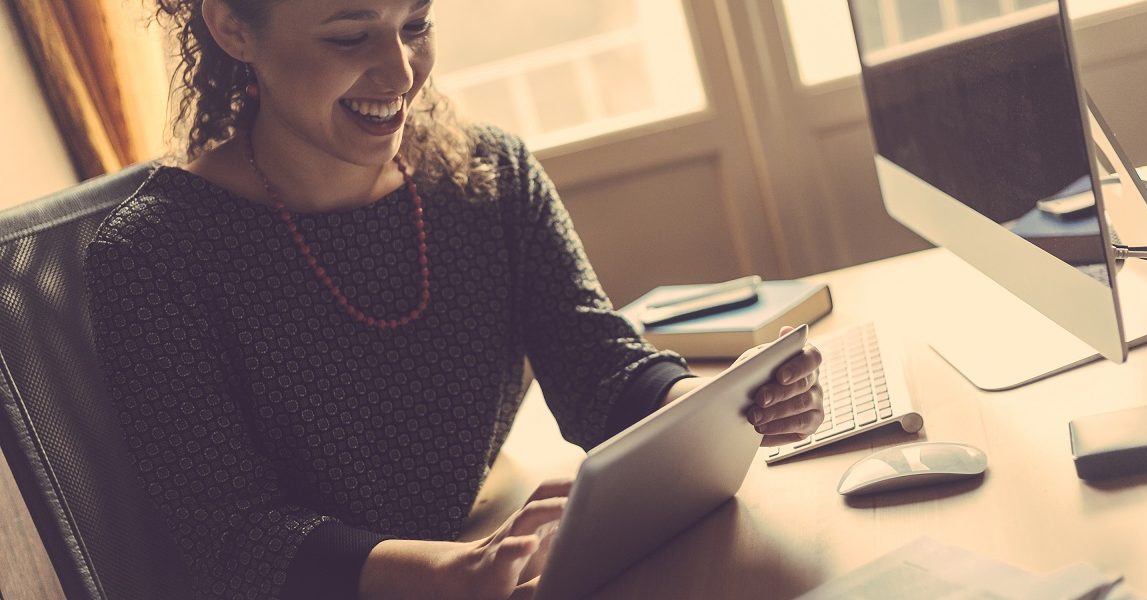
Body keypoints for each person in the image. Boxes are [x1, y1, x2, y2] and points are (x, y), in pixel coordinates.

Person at [83, 1, 825, 598]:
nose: (400, 71)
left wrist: (718, 404)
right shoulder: (152, 257)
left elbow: (594, 363)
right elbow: (233, 539)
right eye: (350, 36)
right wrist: (442, 570)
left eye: (417, 24)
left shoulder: (492, 174)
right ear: (234, 27)